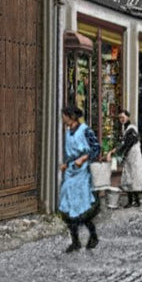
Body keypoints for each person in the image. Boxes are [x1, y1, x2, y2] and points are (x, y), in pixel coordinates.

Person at [59, 105, 100, 252]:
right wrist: (66, 163)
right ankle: (75, 241)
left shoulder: (85, 130)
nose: (63, 119)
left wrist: (83, 158)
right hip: (70, 172)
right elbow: (70, 153)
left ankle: (93, 236)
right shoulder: (68, 132)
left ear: (71, 117)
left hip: (82, 173)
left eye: (64, 116)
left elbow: (96, 148)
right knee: (67, 206)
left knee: (81, 207)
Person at [107, 109, 142, 208]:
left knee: (133, 178)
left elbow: (127, 143)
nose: (121, 119)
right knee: (129, 177)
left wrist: (119, 152)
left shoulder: (131, 129)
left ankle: (134, 201)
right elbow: (124, 143)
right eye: (120, 118)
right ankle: (133, 201)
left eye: (123, 117)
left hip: (133, 157)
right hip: (130, 157)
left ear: (127, 117)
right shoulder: (127, 129)